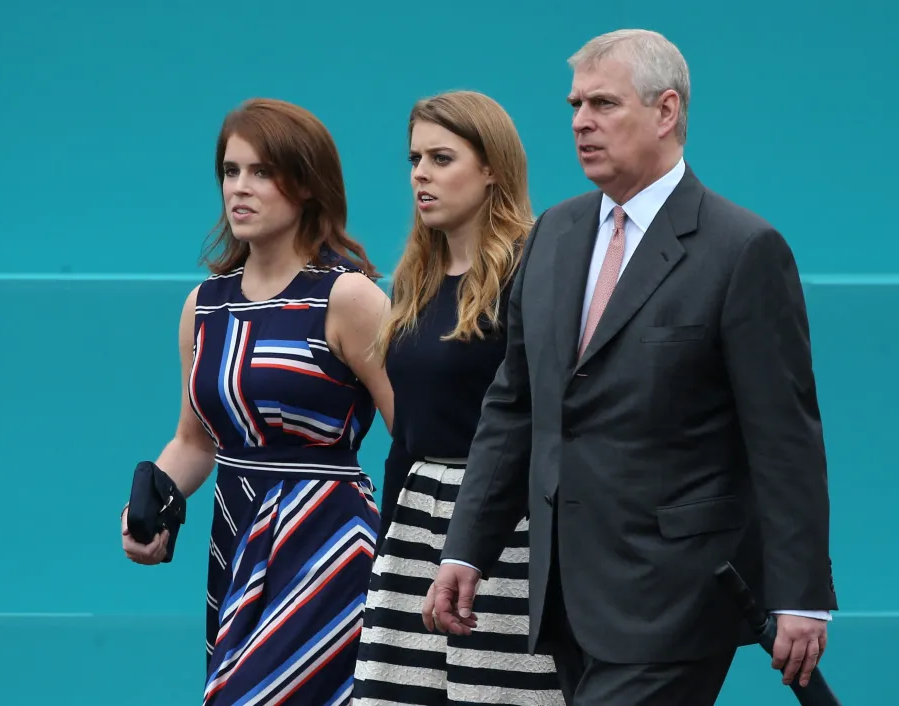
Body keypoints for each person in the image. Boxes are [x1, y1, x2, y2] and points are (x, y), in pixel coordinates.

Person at [424, 29, 838, 706]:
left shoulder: (743, 250)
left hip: (677, 596)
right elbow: (517, 407)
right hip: (563, 597)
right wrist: (466, 549)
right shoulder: (554, 234)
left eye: (603, 104)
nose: (581, 122)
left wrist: (802, 596)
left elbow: (785, 436)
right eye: (574, 104)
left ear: (667, 111)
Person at [119, 97, 394, 705]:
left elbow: (418, 431)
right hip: (236, 537)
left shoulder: (348, 297)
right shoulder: (204, 306)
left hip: (327, 543)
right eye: (230, 170)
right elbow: (194, 442)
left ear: (307, 184)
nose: (239, 188)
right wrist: (150, 502)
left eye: (262, 172)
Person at [352, 90, 564, 706]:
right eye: (415, 158)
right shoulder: (414, 280)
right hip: (417, 523)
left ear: (492, 166)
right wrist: (388, 547)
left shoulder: (537, 269)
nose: (421, 173)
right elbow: (406, 436)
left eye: (442, 158)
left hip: (507, 528)